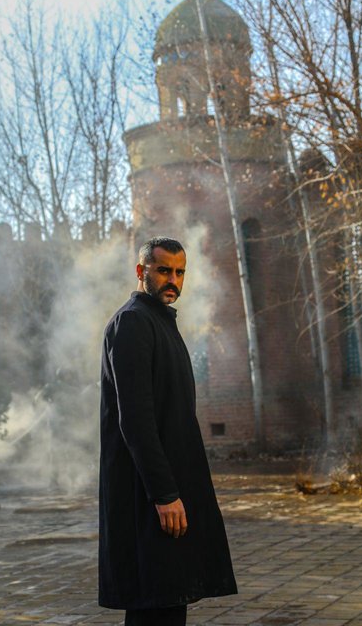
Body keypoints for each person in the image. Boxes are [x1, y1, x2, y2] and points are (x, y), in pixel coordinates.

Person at [98, 237, 237, 626]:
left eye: (179, 272)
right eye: (163, 270)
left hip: (169, 490)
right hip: (149, 496)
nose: (173, 280)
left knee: (169, 600)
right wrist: (164, 494)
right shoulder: (132, 323)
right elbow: (135, 419)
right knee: (154, 604)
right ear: (141, 271)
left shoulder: (160, 321)